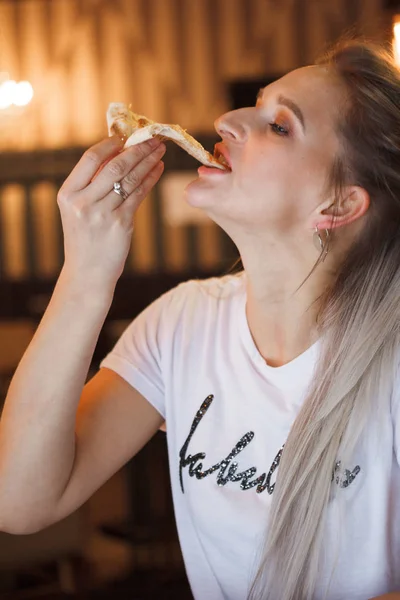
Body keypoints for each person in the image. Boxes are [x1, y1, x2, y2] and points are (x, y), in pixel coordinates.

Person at [0, 38, 400, 600]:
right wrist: (86, 274)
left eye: (279, 125)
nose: (226, 120)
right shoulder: (180, 326)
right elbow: (20, 502)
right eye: (255, 105)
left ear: (337, 205)